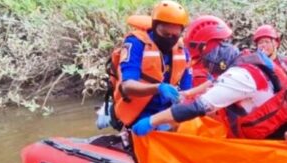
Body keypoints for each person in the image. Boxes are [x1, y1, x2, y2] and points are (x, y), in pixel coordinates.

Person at [132, 15, 287, 140]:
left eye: (202, 57)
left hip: (272, 139)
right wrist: (186, 94)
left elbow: (197, 107)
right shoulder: (247, 63)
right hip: (269, 132)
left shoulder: (239, 77)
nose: (203, 63)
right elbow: (213, 84)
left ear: (213, 52)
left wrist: (152, 121)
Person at [111, 0, 192, 132]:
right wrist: (158, 88)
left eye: (175, 35)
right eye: (165, 34)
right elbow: (127, 86)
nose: (170, 39)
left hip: (164, 111)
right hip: (137, 111)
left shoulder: (182, 50)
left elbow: (187, 90)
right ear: (154, 27)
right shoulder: (136, 43)